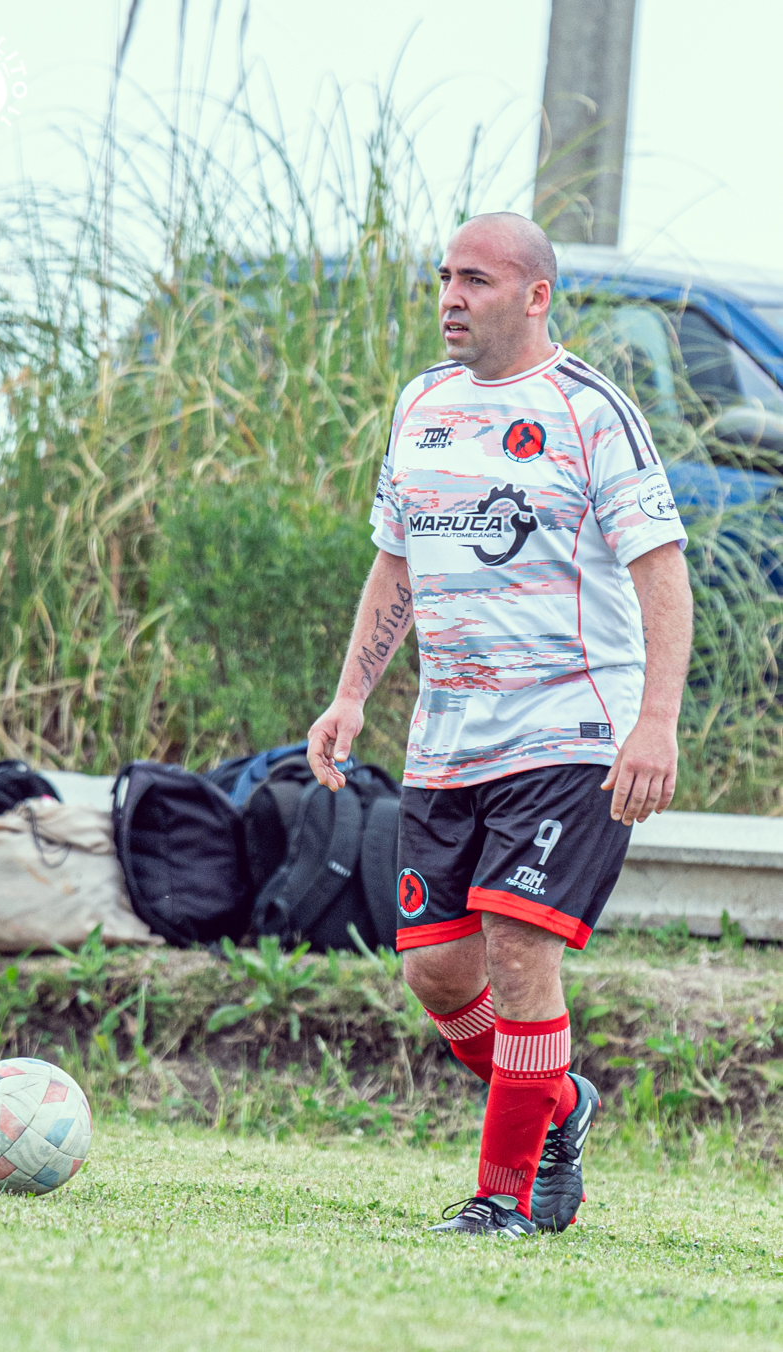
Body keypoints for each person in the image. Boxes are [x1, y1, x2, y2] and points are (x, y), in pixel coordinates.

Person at [306, 212, 692, 1239]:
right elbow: (396, 558)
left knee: (520, 951)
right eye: (446, 277)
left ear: (534, 295)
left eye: (475, 279)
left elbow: (663, 573)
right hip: (448, 737)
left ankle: (503, 1197)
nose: (451, 297)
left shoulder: (590, 410)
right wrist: (350, 695)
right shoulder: (421, 403)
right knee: (437, 970)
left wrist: (655, 721)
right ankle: (559, 1100)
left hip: (571, 730)